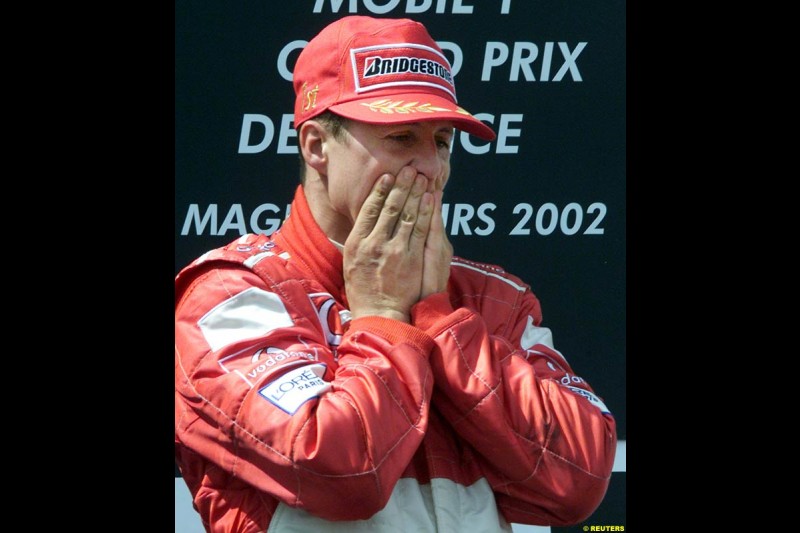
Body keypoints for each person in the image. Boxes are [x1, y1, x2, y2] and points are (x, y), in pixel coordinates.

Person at [175, 15, 617, 533]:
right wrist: (385, 315)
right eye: (403, 137)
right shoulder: (231, 295)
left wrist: (439, 320)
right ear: (317, 145)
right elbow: (343, 471)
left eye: (443, 141)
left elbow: (580, 480)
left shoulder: (492, 297)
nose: (431, 166)